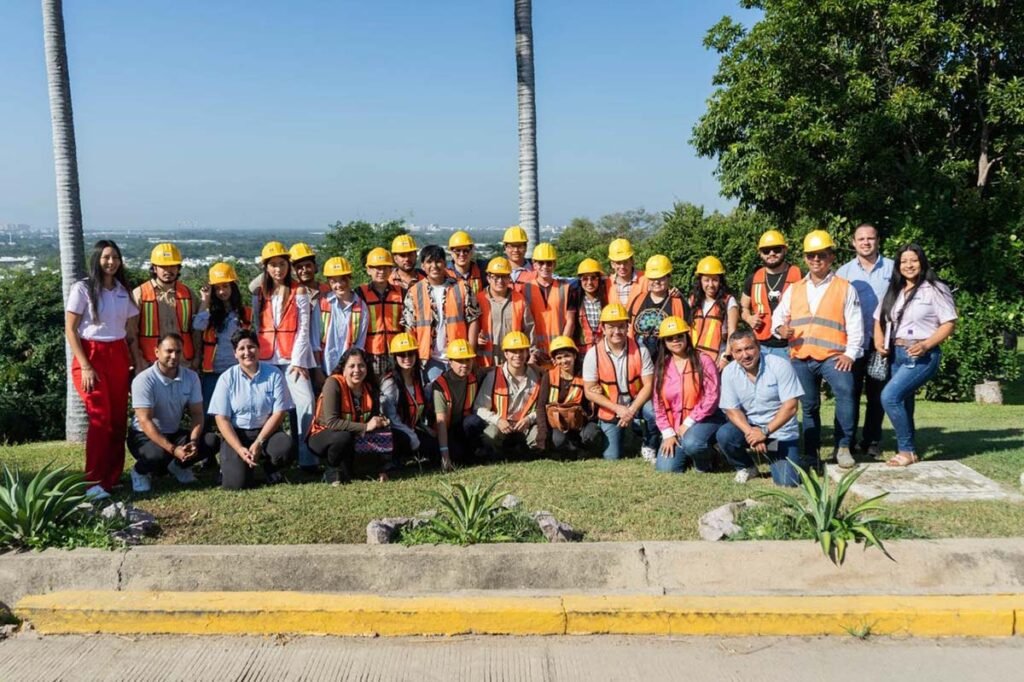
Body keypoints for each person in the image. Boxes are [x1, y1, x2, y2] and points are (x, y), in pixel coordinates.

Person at [772, 230, 863, 469]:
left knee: (845, 392)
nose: (816, 260)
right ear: (804, 258)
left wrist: (850, 353)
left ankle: (843, 447)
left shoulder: (845, 287)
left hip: (834, 357)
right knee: (809, 406)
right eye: (811, 255)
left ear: (831, 257)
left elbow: (855, 324)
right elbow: (777, 319)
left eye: (821, 255)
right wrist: (781, 329)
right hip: (802, 357)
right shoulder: (795, 289)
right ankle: (811, 454)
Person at [65, 239, 140, 500]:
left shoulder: (122, 290)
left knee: (118, 420)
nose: (111, 262)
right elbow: (71, 330)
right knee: (101, 420)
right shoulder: (83, 288)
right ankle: (93, 482)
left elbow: (128, 331)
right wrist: (85, 365)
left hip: (117, 354)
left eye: (116, 258)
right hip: (91, 356)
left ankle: (112, 477)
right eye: (106, 257)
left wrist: (134, 359)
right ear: (97, 259)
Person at [874, 244, 957, 467]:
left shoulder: (935, 289)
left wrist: (927, 344)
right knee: (904, 402)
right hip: (896, 354)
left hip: (921, 355)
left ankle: (906, 451)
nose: (909, 265)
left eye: (914, 260)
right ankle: (909, 449)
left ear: (922, 262)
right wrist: (878, 340)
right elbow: (878, 319)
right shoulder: (894, 290)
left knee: (889, 397)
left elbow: (949, 323)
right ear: (897, 266)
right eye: (903, 262)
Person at [252, 241, 318, 472]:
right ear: (266, 268)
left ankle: (307, 458)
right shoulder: (260, 292)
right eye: (272, 265)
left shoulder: (298, 290)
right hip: (267, 358)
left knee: (306, 402)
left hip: (292, 358)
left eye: (281, 264)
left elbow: (304, 328)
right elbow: (255, 325)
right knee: (269, 409)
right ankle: (271, 459)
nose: (278, 269)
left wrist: (299, 360)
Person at [716, 329, 810, 486]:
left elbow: (791, 407)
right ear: (732, 353)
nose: (745, 355)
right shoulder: (729, 372)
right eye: (738, 351)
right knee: (725, 435)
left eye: (749, 348)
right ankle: (747, 466)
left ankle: (783, 456)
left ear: (758, 347)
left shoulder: (780, 365)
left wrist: (765, 432)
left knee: (788, 483)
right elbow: (731, 410)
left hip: (779, 432)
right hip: (752, 429)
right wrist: (752, 433)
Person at [208, 329, 295, 490]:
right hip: (238, 433)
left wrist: (259, 442)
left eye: (251, 347)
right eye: (241, 349)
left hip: (266, 432)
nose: (247, 352)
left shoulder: (274, 374)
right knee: (236, 485)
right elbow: (221, 419)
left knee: (285, 447)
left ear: (259, 349)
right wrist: (240, 449)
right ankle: (231, 467)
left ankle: (271, 468)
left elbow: (279, 412)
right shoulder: (227, 378)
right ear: (235, 353)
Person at [127, 333, 214, 492]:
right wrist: (173, 449)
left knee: (211, 441)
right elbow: (145, 421)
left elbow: (197, 413)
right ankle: (139, 472)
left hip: (172, 432)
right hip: (143, 435)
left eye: (178, 352)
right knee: (159, 454)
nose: (174, 356)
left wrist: (193, 442)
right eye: (169, 351)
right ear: (157, 352)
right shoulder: (143, 380)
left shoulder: (191, 377)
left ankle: (178, 466)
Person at [836, 224, 894, 459]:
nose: (866, 242)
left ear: (878, 240)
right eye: (861, 239)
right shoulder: (844, 272)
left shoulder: (893, 268)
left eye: (870, 238)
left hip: (881, 344)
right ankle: (845, 443)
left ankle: (871, 441)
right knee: (848, 393)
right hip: (852, 345)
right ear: (853, 242)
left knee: (877, 395)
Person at [583, 303, 657, 461]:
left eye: (621, 326)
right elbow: (589, 391)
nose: (616, 332)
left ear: (627, 327)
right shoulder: (593, 354)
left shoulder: (641, 349)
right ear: (603, 328)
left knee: (654, 412)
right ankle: (630, 433)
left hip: (638, 402)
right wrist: (618, 409)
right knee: (612, 457)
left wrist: (630, 410)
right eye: (611, 327)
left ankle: (650, 443)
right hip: (611, 407)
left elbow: (649, 385)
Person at [308, 347, 394, 484]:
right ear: (343, 368)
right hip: (323, 435)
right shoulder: (333, 383)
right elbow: (331, 422)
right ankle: (331, 469)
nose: (357, 370)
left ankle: (377, 469)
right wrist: (365, 426)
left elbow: (373, 425)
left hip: (354, 437)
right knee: (343, 437)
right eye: (351, 366)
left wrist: (380, 422)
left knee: (390, 433)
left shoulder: (370, 388)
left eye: (361, 365)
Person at [651, 316, 723, 474]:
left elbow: (712, 395)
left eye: (679, 336)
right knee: (666, 469)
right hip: (675, 426)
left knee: (693, 443)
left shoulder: (703, 360)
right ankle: (691, 453)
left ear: (687, 336)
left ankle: (707, 460)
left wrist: (689, 422)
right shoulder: (662, 366)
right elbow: (658, 404)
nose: (675, 340)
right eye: (670, 338)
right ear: (664, 342)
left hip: (703, 420)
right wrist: (668, 433)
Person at [404, 244, 480, 382]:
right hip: (429, 360)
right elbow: (409, 327)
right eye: (429, 262)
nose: (434, 266)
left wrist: (470, 354)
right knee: (433, 399)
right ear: (422, 266)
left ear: (445, 263)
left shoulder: (462, 287)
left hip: (459, 358)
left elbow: (473, 320)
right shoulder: (414, 292)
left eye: (438, 261)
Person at [473, 331, 548, 455]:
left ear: (527, 353)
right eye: (513, 351)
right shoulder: (493, 376)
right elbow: (479, 408)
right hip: (502, 426)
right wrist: (498, 420)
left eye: (521, 351)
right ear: (506, 354)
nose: (518, 355)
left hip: (525, 426)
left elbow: (543, 407)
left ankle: (522, 450)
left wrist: (529, 419)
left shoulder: (537, 376)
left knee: (539, 438)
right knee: (490, 436)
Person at [194, 262, 251, 414]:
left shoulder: (244, 313)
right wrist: (205, 300)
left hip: (238, 370)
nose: (222, 292)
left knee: (236, 411)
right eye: (217, 288)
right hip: (213, 371)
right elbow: (198, 325)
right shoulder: (211, 313)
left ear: (233, 287)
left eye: (225, 286)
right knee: (208, 411)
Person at [132, 242, 198, 371]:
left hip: (183, 364)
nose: (168, 270)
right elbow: (131, 333)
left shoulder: (188, 294)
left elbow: (196, 331)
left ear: (179, 268)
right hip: (150, 364)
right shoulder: (140, 293)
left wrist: (197, 359)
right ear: (155, 268)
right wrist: (138, 360)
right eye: (163, 266)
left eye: (173, 266)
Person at [741, 230, 802, 360]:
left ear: (785, 250)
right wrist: (748, 318)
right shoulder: (752, 279)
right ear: (760, 254)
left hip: (792, 345)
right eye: (766, 251)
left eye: (776, 249)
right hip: (761, 345)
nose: (771, 253)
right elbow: (744, 307)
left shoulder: (800, 276)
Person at [380, 333, 436, 467]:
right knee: (402, 438)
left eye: (410, 354)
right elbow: (391, 418)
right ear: (394, 357)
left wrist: (426, 429)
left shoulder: (419, 377)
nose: (407, 358)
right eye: (402, 355)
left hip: (412, 428)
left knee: (436, 451)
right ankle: (393, 460)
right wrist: (412, 436)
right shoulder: (390, 382)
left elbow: (417, 409)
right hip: (396, 432)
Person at [432, 339, 484, 471]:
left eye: (468, 360)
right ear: (450, 362)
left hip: (463, 426)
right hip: (444, 431)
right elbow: (441, 421)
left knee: (475, 421)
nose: (465, 365)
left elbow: (494, 369)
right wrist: (445, 456)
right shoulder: (440, 385)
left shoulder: (474, 376)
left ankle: (472, 452)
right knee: (455, 454)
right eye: (460, 361)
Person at [545, 336, 602, 455]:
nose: (564, 361)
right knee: (558, 441)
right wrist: (543, 434)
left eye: (567, 355)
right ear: (554, 360)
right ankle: (575, 449)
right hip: (559, 425)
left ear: (575, 356)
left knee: (592, 434)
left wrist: (597, 394)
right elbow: (541, 407)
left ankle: (580, 446)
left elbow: (591, 408)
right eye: (559, 358)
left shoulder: (585, 375)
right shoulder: (549, 376)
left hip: (581, 423)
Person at [521, 242, 576, 363]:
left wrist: (561, 349)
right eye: (541, 263)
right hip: (534, 353)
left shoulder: (566, 288)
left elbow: (570, 320)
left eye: (549, 263)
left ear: (554, 264)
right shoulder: (525, 289)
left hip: (559, 353)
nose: (545, 267)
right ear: (534, 264)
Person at [476, 256, 535, 367]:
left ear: (509, 278)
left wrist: (532, 355)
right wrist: (476, 339)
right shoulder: (478, 300)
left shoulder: (519, 300)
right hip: (485, 363)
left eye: (504, 277)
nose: (500, 281)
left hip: (512, 364)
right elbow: (470, 329)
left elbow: (529, 330)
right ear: (488, 278)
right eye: (496, 277)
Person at [357, 247, 405, 378]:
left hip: (397, 352)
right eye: (377, 268)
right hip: (371, 353)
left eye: (385, 267)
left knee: (396, 391)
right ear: (368, 270)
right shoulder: (360, 293)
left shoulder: (401, 293)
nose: (381, 271)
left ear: (391, 269)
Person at [288, 243, 330, 391]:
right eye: (299, 267)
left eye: (307, 265)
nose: (304, 270)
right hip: (299, 356)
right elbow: (253, 287)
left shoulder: (328, 291)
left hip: (326, 354)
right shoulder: (290, 292)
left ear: (315, 266)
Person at [317, 256, 368, 377]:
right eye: (333, 281)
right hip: (324, 367)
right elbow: (315, 341)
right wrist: (317, 370)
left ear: (350, 279)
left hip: (349, 372)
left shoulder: (361, 307)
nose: (339, 285)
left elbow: (360, 344)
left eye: (342, 280)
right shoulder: (322, 304)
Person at [687, 256, 740, 370]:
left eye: (715, 280)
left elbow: (732, 332)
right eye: (706, 280)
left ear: (720, 281)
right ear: (700, 281)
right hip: (694, 358)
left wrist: (726, 357)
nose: (710, 284)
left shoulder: (729, 301)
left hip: (718, 359)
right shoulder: (693, 301)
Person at [629, 255, 687, 359]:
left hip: (669, 362)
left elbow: (688, 331)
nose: (656, 281)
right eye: (653, 278)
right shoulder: (638, 300)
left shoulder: (678, 302)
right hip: (639, 361)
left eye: (661, 277)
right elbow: (629, 329)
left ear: (669, 277)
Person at [575, 258, 606, 356]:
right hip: (582, 353)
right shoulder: (576, 302)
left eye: (593, 278)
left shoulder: (606, 300)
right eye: (585, 278)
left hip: (603, 351)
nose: (589, 282)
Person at [606, 238, 648, 309]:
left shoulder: (646, 279)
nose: (622, 266)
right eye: (618, 263)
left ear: (632, 261)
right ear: (612, 264)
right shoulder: (607, 283)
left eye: (625, 262)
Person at [446, 230, 486, 295]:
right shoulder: (444, 275)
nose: (462, 254)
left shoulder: (482, 271)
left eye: (466, 251)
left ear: (472, 251)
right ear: (451, 252)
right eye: (457, 251)